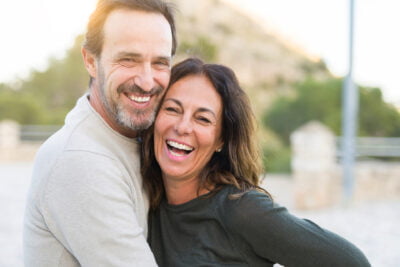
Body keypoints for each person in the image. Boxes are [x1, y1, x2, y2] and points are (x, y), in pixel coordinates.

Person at [142, 58, 371, 267]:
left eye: (202, 119)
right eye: (172, 109)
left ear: (221, 139)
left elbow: (352, 263)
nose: (182, 127)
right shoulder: (139, 198)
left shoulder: (242, 209)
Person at [23, 0, 177, 266]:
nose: (147, 80)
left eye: (160, 63)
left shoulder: (140, 139)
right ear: (91, 61)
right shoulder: (80, 161)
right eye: (128, 60)